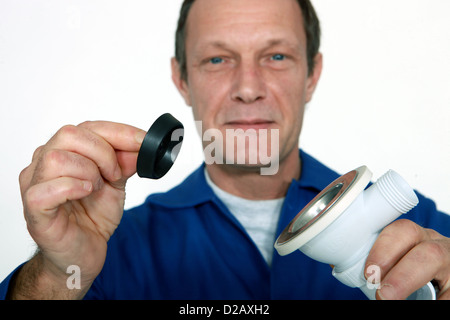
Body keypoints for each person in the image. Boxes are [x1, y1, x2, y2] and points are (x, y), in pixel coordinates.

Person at [1, 0, 450, 300]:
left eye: (276, 56)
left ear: (311, 74)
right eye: (217, 59)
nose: (248, 88)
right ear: (182, 79)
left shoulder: (419, 230)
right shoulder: (107, 252)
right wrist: (59, 276)